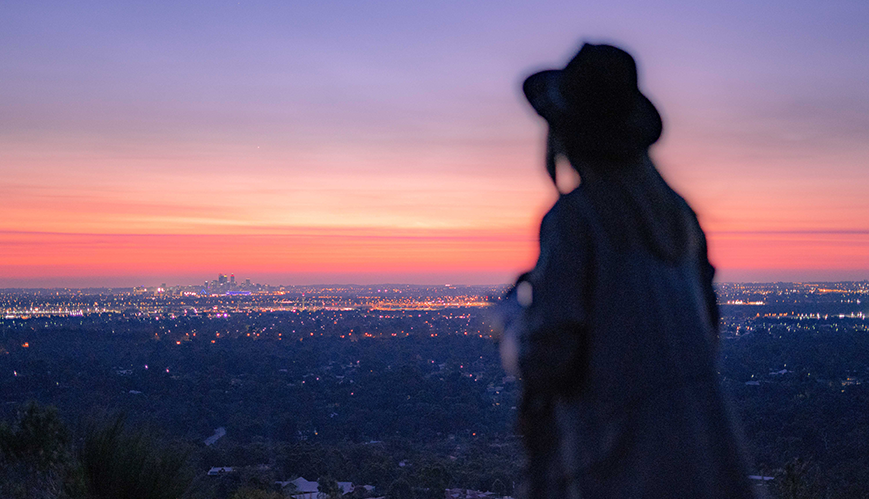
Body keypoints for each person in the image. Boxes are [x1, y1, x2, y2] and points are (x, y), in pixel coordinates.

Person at [497, 43, 757, 498]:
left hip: (623, 465)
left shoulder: (576, 218)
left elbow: (549, 356)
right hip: (710, 456)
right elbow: (706, 332)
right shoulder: (678, 217)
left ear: (565, 137)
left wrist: (510, 326)